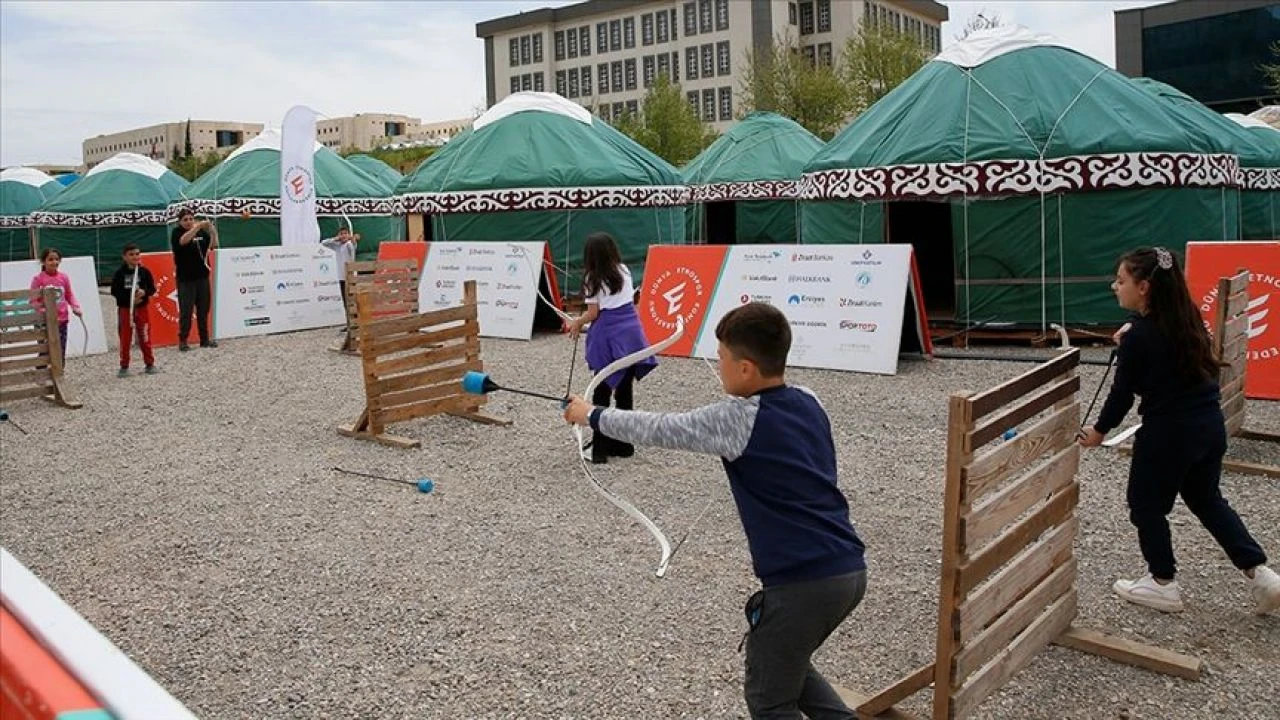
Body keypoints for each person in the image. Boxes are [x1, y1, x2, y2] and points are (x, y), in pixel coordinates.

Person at [563, 302, 868, 719]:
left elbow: (660, 428)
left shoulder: (740, 418)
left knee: (769, 699)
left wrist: (592, 415)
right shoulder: (809, 400)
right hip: (847, 570)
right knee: (786, 666)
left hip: (803, 582)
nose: (719, 366)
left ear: (745, 368)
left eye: (722, 357)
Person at [1079, 246, 1280, 615]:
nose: (1114, 286)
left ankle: (1161, 582)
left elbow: (1122, 393)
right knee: (1207, 499)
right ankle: (1262, 575)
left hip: (1168, 434)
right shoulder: (1186, 318)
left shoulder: (1139, 337)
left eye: (1121, 281)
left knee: (1145, 505)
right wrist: (1131, 332)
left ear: (1143, 287)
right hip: (1208, 426)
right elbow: (1153, 339)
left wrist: (1099, 430)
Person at [564, 233, 656, 464]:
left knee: (601, 391)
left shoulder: (592, 278)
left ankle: (600, 449)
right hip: (631, 333)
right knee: (624, 390)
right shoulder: (623, 270)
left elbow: (593, 313)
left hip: (609, 334)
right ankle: (624, 445)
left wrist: (577, 322)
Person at [170, 209, 217, 351]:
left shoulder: (201, 233)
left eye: (191, 219)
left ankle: (204, 339)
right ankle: (183, 340)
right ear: (179, 222)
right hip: (186, 279)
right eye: (185, 219)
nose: (189, 222)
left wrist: (212, 231)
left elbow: (213, 245)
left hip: (202, 276)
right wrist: (196, 227)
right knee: (186, 311)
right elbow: (183, 241)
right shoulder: (177, 232)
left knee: (204, 309)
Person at [109, 244, 158, 377]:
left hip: (142, 309)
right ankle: (124, 366)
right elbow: (115, 291)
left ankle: (149, 363)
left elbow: (152, 289)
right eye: (131, 254)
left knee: (145, 336)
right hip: (125, 310)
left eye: (137, 254)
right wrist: (130, 300)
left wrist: (144, 292)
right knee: (125, 338)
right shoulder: (119, 274)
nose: (135, 257)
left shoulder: (144, 272)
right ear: (124, 257)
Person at [28, 248, 82, 361]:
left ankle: (60, 371)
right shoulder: (38, 279)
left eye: (57, 259)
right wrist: (46, 313)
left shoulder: (64, 277)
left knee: (60, 350)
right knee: (44, 350)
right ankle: (42, 370)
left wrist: (75, 306)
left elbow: (69, 295)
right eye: (51, 259)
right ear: (43, 261)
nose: (54, 262)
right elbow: (33, 301)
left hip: (61, 321)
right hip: (44, 322)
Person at [320, 225, 360, 308]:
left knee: (352, 296)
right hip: (340, 276)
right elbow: (323, 243)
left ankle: (354, 311)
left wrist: (352, 239)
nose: (343, 235)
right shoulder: (336, 245)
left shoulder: (349, 244)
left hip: (350, 275)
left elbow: (352, 247)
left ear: (349, 235)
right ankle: (345, 312)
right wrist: (336, 239)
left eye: (345, 233)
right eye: (342, 234)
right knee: (343, 297)